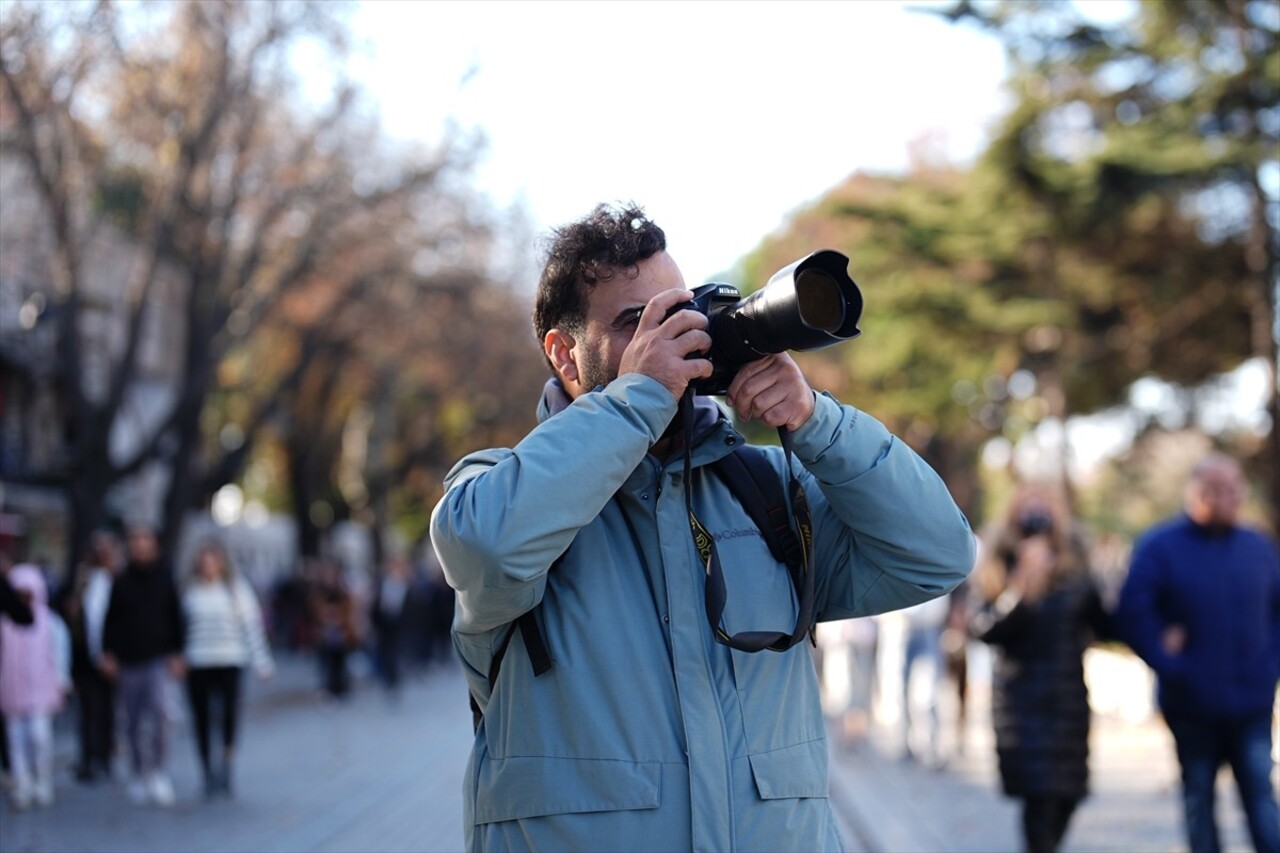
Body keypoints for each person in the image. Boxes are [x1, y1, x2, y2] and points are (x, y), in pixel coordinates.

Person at [429, 203, 975, 852]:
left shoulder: (768, 491)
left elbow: (938, 553)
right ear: (565, 356)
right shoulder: (500, 490)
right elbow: (486, 545)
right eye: (638, 322)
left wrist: (816, 421)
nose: (673, 338)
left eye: (679, 312)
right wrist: (639, 400)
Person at [1117, 453, 1280, 853]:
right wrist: (1171, 663)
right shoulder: (1160, 546)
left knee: (1261, 797)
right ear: (1201, 493)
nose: (1236, 496)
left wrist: (1270, 666)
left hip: (1252, 704)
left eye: (1238, 487)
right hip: (1192, 705)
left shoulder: (1257, 546)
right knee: (1199, 801)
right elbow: (1132, 613)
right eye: (1226, 489)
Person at [970, 482, 1112, 853]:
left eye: (1044, 505)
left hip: (1067, 700)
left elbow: (1104, 622)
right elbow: (985, 630)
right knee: (1040, 800)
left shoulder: (1076, 560)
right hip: (1021, 701)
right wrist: (1021, 587)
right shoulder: (998, 559)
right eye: (1028, 505)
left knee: (1067, 797)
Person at [180, 540, 274, 799]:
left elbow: (252, 627)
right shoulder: (190, 591)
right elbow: (179, 628)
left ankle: (226, 767)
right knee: (201, 718)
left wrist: (262, 663)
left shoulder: (236, 590)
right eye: (203, 561)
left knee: (229, 716)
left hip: (230, 659)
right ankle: (207, 771)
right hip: (197, 661)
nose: (207, 566)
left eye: (212, 560)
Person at [101, 524, 186, 807]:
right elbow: (110, 620)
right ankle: (139, 772)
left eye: (144, 540)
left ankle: (159, 771)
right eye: (135, 540)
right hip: (128, 661)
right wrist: (108, 652)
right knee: (133, 721)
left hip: (158, 658)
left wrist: (178, 653)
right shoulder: (121, 580)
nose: (139, 545)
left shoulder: (165, 578)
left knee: (163, 714)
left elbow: (176, 617)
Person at [0, 564, 70, 810]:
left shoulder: (49, 621)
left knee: (39, 736)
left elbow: (60, 651)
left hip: (41, 688)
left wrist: (62, 680)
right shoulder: (5, 621)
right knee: (15, 740)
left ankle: (42, 780)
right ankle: (22, 782)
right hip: (11, 689)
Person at [59, 529, 121, 783]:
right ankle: (88, 758)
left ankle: (105, 757)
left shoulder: (118, 579)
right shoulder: (81, 578)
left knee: (107, 709)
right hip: (84, 655)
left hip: (109, 653)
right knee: (87, 709)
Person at [369, 554, 411, 694]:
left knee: (395, 652)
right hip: (384, 623)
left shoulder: (406, 584)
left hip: (399, 624)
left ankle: (394, 678)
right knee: (384, 651)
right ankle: (387, 678)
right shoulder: (381, 583)